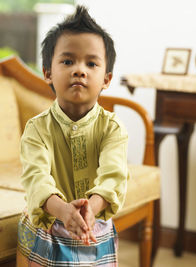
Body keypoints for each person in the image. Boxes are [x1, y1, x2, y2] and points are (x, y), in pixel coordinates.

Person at [17, 5, 128, 267]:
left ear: (106, 79)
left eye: (91, 63)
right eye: (68, 61)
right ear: (47, 72)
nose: (80, 70)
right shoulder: (36, 128)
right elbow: (36, 179)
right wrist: (63, 211)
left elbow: (114, 177)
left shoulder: (112, 129)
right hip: (44, 228)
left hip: (94, 226)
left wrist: (92, 207)